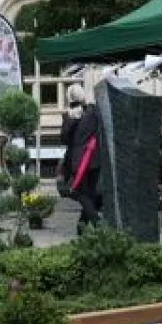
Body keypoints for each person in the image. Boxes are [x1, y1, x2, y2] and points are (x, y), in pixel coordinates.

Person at [60, 83, 103, 231]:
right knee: (89, 194)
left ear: (69, 98)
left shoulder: (69, 115)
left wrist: (71, 121)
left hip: (78, 162)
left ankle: (98, 223)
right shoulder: (94, 111)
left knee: (81, 193)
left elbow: (64, 139)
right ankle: (81, 227)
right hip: (94, 159)